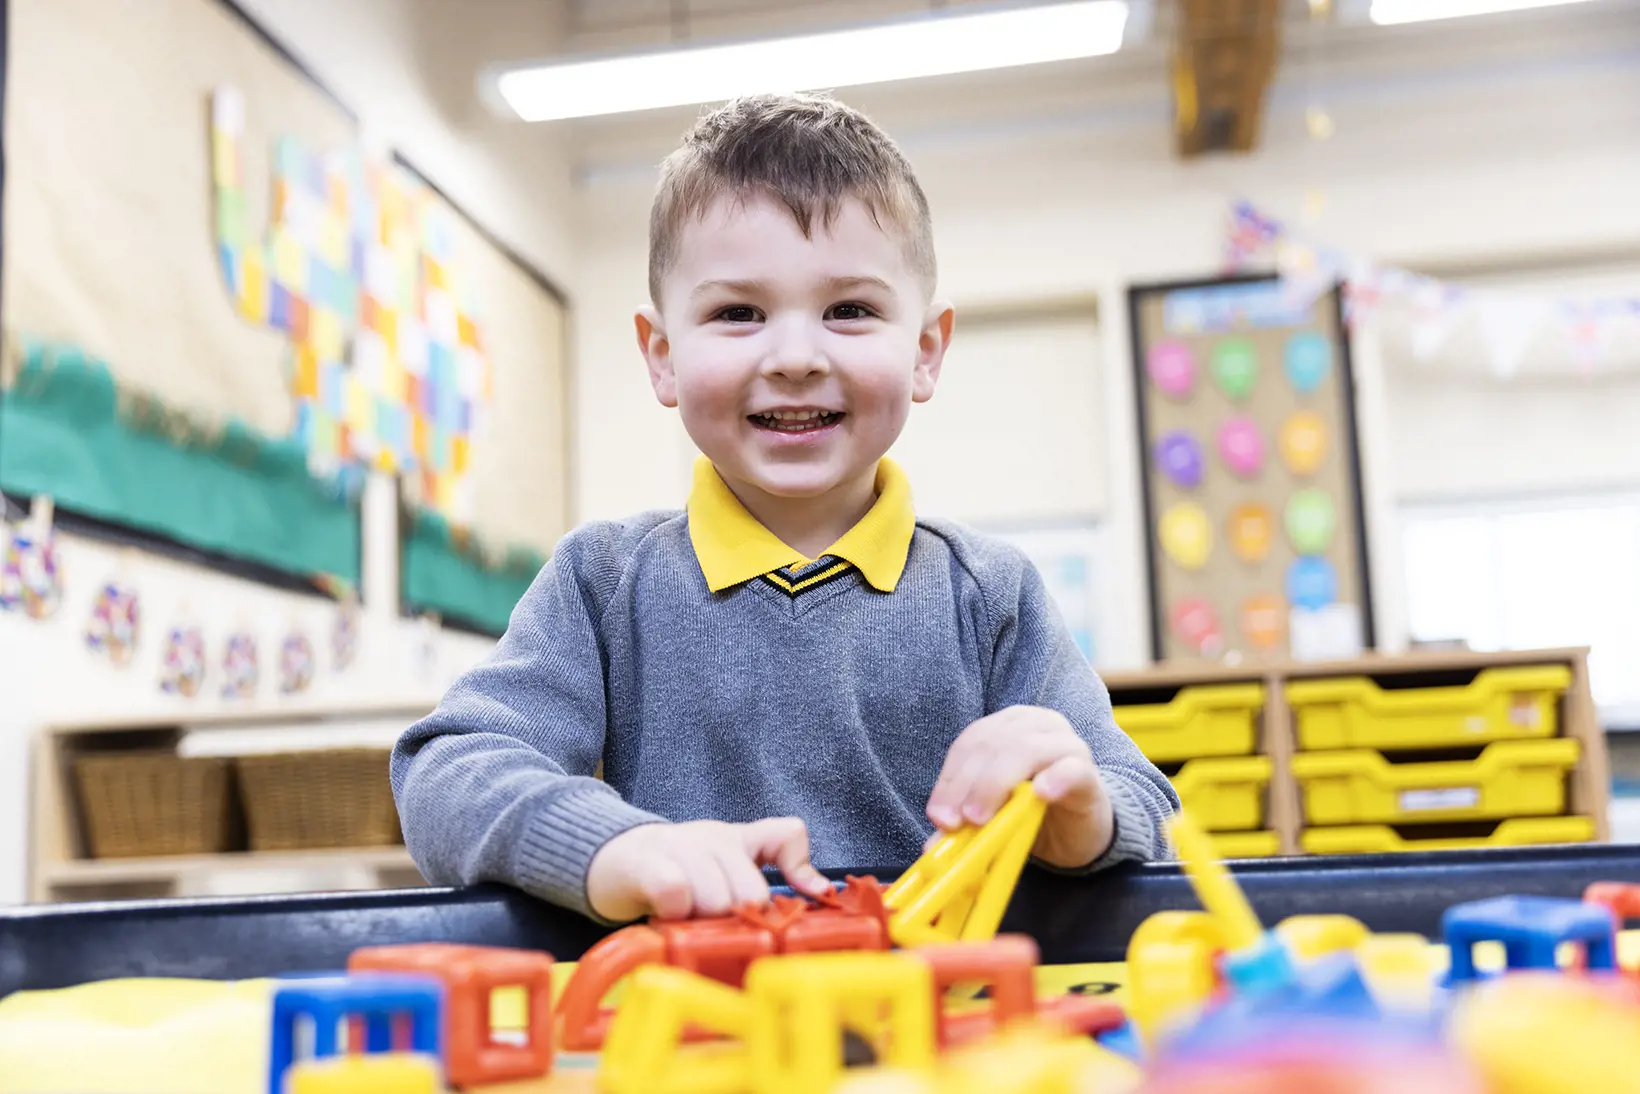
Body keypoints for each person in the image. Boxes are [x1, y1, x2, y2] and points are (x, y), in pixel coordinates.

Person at [391, 92, 1178, 925]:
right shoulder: (602, 583)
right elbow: (447, 771)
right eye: (738, 313)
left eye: (850, 311)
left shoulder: (991, 594)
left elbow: (1148, 808)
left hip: (944, 1029)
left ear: (924, 351)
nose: (796, 357)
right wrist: (612, 846)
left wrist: (1080, 813)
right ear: (662, 356)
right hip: (691, 1025)